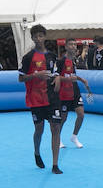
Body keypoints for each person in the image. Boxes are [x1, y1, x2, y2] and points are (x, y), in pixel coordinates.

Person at [18, 24, 64, 174]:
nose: (38, 39)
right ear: (32, 38)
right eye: (35, 36)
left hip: (52, 98)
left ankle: (55, 164)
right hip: (36, 98)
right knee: (39, 129)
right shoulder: (28, 57)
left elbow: (55, 72)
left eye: (40, 36)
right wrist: (35, 75)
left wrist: (57, 79)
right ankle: (37, 152)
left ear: (44, 37)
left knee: (55, 127)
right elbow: (20, 78)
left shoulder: (52, 56)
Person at [57, 40, 92, 148]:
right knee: (63, 118)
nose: (73, 46)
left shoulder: (73, 60)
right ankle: (57, 139)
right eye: (71, 44)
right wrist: (67, 79)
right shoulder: (60, 61)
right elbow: (56, 77)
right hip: (64, 92)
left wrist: (83, 80)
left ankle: (74, 137)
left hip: (74, 90)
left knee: (81, 115)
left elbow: (73, 75)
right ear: (66, 46)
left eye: (75, 45)